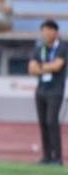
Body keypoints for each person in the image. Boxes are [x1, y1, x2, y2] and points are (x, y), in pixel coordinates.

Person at [29, 20, 65, 165]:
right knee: (43, 122)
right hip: (41, 89)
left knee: (52, 121)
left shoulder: (63, 47)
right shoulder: (39, 48)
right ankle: (46, 156)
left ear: (55, 32)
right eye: (43, 30)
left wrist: (41, 67)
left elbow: (58, 66)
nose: (45, 34)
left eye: (48, 30)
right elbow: (32, 69)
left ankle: (57, 157)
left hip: (56, 90)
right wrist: (47, 67)